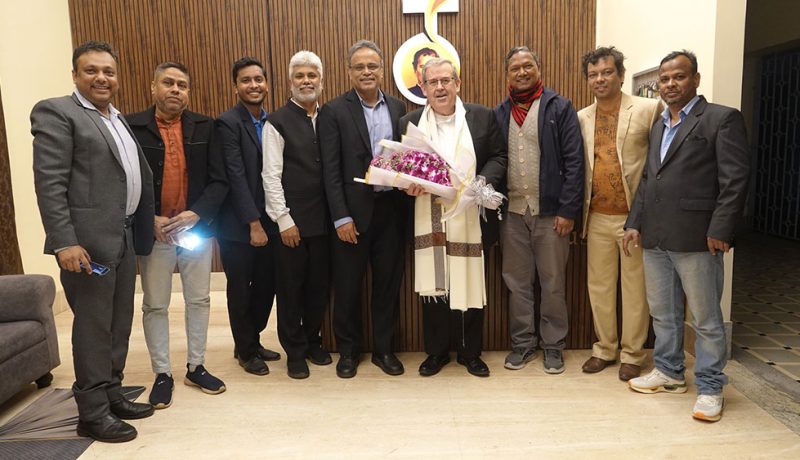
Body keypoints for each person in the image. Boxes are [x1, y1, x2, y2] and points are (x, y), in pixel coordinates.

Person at [32, 40, 155, 442]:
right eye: (91, 70)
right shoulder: (57, 112)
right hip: (86, 245)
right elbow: (50, 184)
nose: (101, 78)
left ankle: (112, 392)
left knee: (118, 323)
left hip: (123, 237)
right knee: (93, 328)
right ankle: (92, 412)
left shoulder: (116, 118)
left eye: (108, 71)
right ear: (75, 75)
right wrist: (64, 241)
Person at [623, 50, 749, 422]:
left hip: (699, 237)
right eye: (664, 79)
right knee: (663, 313)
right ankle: (670, 372)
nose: (670, 84)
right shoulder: (659, 125)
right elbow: (650, 179)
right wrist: (634, 222)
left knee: (706, 319)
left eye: (678, 77)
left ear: (695, 79)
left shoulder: (721, 119)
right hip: (656, 237)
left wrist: (721, 228)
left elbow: (735, 180)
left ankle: (710, 387)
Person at [127, 62, 228, 408]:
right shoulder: (132, 127)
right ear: (153, 87)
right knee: (155, 304)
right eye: (168, 83)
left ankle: (196, 367)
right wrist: (148, 219)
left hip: (195, 229)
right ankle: (162, 373)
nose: (175, 89)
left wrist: (196, 213)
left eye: (182, 85)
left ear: (188, 92)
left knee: (199, 299)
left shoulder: (206, 127)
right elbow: (125, 181)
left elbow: (220, 180)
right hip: (155, 232)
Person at [401, 58, 508, 377]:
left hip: (470, 215)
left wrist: (482, 182)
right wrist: (406, 184)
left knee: (469, 279)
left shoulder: (481, 116)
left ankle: (470, 353)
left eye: (445, 80)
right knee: (434, 283)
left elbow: (499, 156)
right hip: (428, 212)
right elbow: (403, 166)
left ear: (457, 83)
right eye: (432, 82)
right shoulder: (409, 122)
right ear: (423, 88)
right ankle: (436, 353)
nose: (440, 87)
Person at [319, 40, 408, 379]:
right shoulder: (334, 111)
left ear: (382, 70)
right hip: (351, 215)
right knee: (347, 286)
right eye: (359, 67)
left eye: (372, 66)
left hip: (391, 211)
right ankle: (348, 351)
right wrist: (340, 217)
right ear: (349, 72)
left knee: (387, 285)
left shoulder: (398, 107)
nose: (366, 72)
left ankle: (384, 350)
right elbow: (330, 171)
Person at [493, 46, 584, 374]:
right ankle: (523, 343)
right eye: (515, 68)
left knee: (552, 282)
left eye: (527, 65)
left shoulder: (559, 107)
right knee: (516, 283)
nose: (521, 72)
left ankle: (553, 346)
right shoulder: (500, 112)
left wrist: (568, 210)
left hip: (551, 214)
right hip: (512, 214)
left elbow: (575, 162)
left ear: (538, 68)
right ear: (507, 74)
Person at [577, 46, 661, 382]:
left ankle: (632, 354)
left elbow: (657, 165)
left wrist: (643, 215)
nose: (600, 79)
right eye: (593, 74)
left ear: (621, 75)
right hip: (596, 215)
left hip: (633, 219)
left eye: (607, 72)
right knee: (599, 286)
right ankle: (605, 348)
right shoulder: (582, 117)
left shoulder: (648, 109)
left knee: (635, 288)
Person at [262, 50, 330, 379]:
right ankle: (295, 351)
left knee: (318, 287)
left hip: (325, 222)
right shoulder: (276, 122)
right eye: (300, 76)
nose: (306, 81)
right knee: (291, 290)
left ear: (321, 80)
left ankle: (313, 340)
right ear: (290, 82)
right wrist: (283, 220)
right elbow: (270, 176)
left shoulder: (329, 117)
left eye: (311, 75)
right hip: (292, 223)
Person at [216, 57, 282, 376]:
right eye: (246, 80)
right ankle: (245, 350)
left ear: (266, 84)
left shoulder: (272, 122)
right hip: (238, 225)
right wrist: (253, 223)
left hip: (270, 221)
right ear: (236, 87)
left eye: (258, 79)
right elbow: (236, 176)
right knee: (241, 289)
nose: (253, 85)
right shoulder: (227, 123)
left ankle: (251, 340)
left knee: (267, 285)